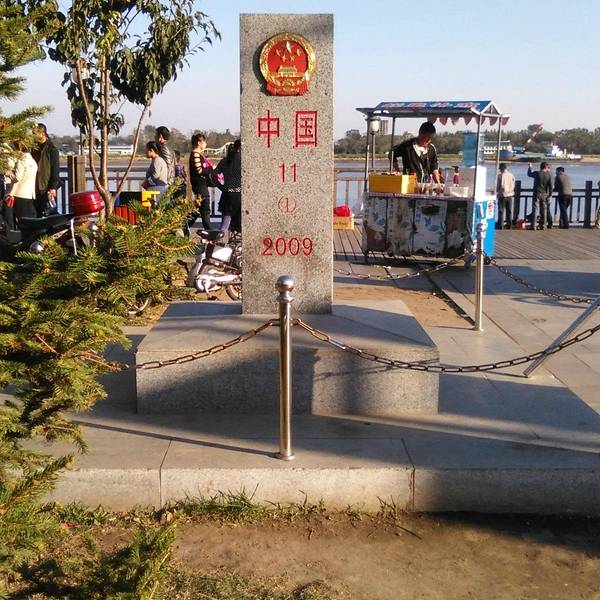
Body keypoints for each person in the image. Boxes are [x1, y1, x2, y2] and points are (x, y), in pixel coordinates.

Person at [5, 142, 37, 228]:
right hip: (30, 194)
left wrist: (8, 173)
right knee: (30, 220)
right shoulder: (33, 161)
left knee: (22, 220)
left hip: (20, 194)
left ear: (19, 149)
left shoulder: (21, 161)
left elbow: (17, 178)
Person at [32, 123, 60, 217]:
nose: (33, 136)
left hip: (45, 187)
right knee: (36, 215)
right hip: (34, 187)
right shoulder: (34, 148)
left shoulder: (52, 150)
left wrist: (53, 187)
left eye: (35, 133)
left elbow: (55, 170)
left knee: (48, 214)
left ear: (42, 133)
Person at [187, 133, 212, 232]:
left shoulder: (197, 155)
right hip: (200, 187)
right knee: (204, 211)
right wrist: (211, 169)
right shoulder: (195, 155)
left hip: (200, 187)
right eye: (204, 142)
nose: (205, 144)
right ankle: (210, 233)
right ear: (199, 142)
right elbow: (200, 170)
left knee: (197, 211)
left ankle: (182, 228)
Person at [216, 139, 241, 234]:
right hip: (240, 196)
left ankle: (219, 239)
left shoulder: (225, 161)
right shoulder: (244, 161)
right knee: (240, 225)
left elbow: (213, 175)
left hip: (227, 195)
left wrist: (220, 186)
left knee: (224, 224)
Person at [527, 161, 553, 230]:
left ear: (540, 167)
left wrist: (530, 167)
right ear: (546, 167)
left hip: (537, 193)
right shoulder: (549, 175)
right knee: (544, 210)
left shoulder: (537, 173)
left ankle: (533, 226)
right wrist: (550, 195)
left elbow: (529, 174)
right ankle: (543, 226)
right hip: (545, 194)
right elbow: (550, 187)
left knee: (535, 209)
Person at [496, 162, 515, 229]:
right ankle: (509, 225)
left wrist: (497, 191)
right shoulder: (511, 175)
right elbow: (513, 185)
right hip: (510, 195)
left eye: (500, 169)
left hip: (502, 195)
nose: (499, 170)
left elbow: (499, 186)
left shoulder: (500, 176)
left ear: (501, 168)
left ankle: (501, 225)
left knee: (501, 211)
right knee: (509, 211)